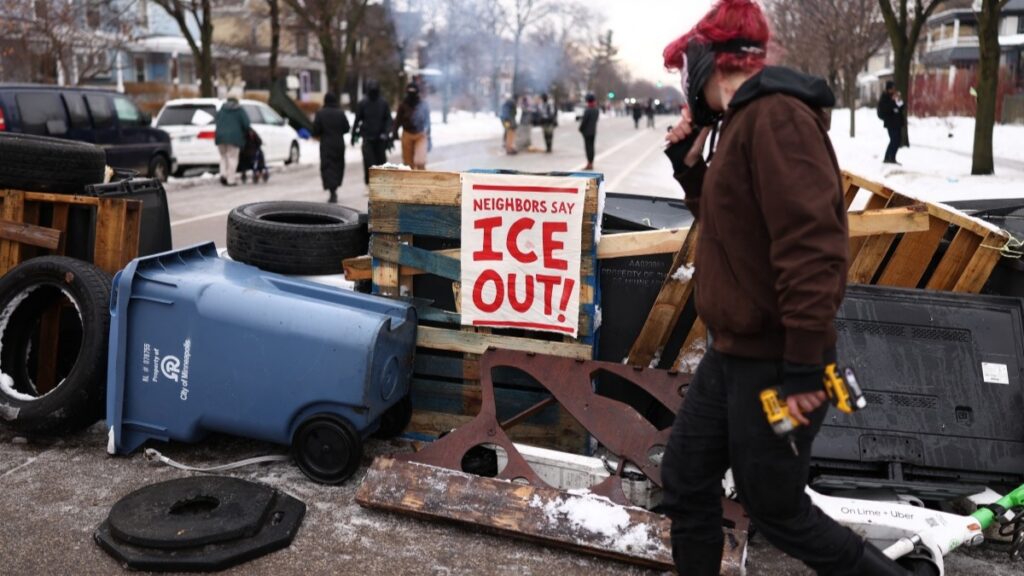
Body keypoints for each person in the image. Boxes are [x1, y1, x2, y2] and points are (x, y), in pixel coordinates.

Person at [659, 1, 910, 575]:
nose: (683, 84)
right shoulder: (740, 122)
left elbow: (813, 248)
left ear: (707, 62)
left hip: (776, 361)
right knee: (686, 477)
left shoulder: (776, 118)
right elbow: (735, 230)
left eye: (684, 70)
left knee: (776, 507)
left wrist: (803, 368)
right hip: (734, 354)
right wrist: (688, 165)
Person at [352, 79, 393, 185]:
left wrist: (386, 133)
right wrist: (354, 136)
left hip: (380, 138)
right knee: (368, 162)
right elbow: (357, 120)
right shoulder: (363, 103)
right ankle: (369, 183)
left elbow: (388, 119)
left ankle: (381, 184)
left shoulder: (383, 103)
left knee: (381, 162)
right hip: (367, 138)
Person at [312, 92, 350, 203]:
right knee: (338, 165)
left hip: (326, 144)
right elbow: (347, 128)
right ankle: (335, 187)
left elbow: (316, 130)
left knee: (328, 166)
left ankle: (332, 191)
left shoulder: (320, 113)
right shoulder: (340, 113)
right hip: (339, 143)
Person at [214, 92, 250, 186]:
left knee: (223, 157)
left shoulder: (221, 109)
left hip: (220, 137)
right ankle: (231, 180)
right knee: (232, 158)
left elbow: (216, 121)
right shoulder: (239, 110)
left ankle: (223, 175)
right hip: (234, 138)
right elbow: (246, 124)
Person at [393, 82, 431, 170]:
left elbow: (428, 121)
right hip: (407, 134)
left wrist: (429, 137)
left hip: (420, 135)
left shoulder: (423, 104)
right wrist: (394, 132)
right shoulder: (403, 105)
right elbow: (398, 120)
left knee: (420, 162)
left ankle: (423, 181)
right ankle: (411, 183)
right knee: (408, 165)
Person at [878, 81, 905, 165]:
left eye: (894, 88)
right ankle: (887, 158)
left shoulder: (895, 96)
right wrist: (893, 101)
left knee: (897, 140)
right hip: (890, 123)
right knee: (893, 140)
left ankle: (892, 158)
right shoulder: (885, 97)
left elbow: (901, 107)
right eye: (892, 88)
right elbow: (886, 108)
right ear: (888, 89)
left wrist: (899, 100)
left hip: (897, 122)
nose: (894, 90)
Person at [578, 94, 599, 170]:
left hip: (586, 132)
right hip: (593, 131)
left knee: (588, 147)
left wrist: (580, 129)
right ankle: (591, 162)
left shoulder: (588, 110)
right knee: (592, 147)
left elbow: (584, 121)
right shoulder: (596, 109)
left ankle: (589, 163)